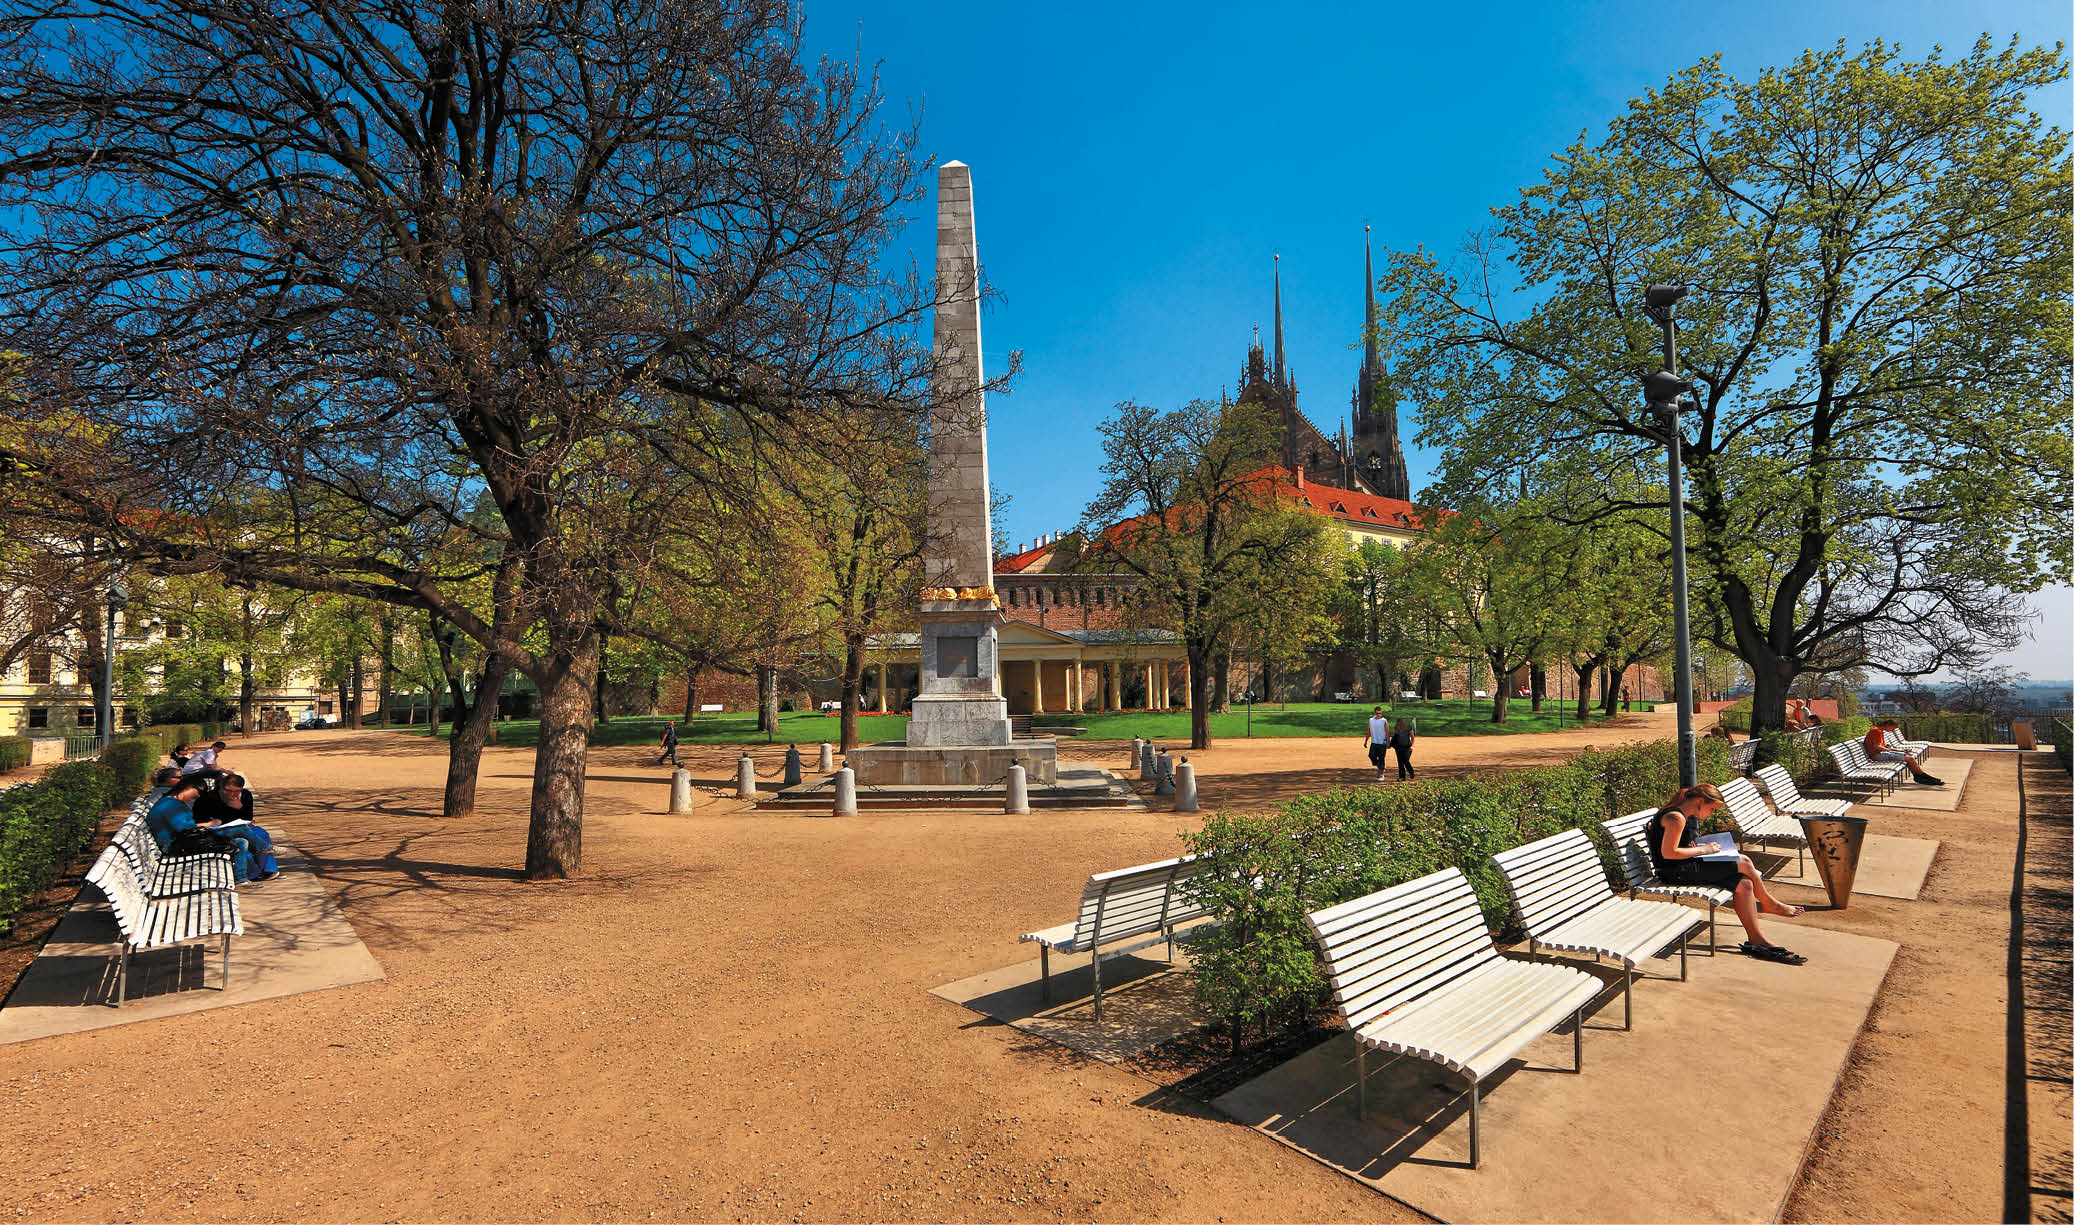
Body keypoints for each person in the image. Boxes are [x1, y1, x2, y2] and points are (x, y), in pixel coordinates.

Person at [1647, 783, 1807, 964]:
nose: (1712, 813)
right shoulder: (1676, 817)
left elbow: (1676, 847)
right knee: (1744, 861)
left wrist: (1703, 848)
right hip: (1674, 873)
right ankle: (1769, 903)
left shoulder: (1679, 814)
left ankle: (1756, 939)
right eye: (1712, 808)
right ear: (1700, 801)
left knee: (1744, 884)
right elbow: (1669, 853)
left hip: (1683, 867)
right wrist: (1704, 850)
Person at [193, 772, 279, 882]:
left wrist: (239, 806)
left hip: (240, 826)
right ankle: (253, 873)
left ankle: (267, 869)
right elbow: (200, 819)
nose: (232, 793)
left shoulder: (245, 795)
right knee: (243, 842)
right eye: (228, 790)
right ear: (221, 787)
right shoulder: (208, 798)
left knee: (261, 833)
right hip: (218, 829)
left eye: (237, 791)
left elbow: (248, 816)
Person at [1866, 719, 1941, 785]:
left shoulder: (1879, 730)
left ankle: (1919, 775)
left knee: (1908, 757)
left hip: (1881, 753)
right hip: (1877, 755)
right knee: (1910, 759)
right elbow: (1875, 747)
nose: (1893, 730)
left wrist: (1900, 750)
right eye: (1893, 728)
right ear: (1888, 725)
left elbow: (1884, 746)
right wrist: (1888, 750)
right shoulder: (1876, 731)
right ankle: (1921, 776)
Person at [1362, 707, 1390, 782]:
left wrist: (1388, 742)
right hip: (1374, 742)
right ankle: (1381, 767)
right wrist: (1366, 741)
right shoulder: (1371, 720)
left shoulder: (1384, 721)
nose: (1379, 714)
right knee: (1371, 755)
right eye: (1377, 713)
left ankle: (1381, 774)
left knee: (1381, 758)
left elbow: (1387, 732)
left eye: (1380, 713)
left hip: (1382, 743)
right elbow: (1369, 731)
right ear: (1374, 713)